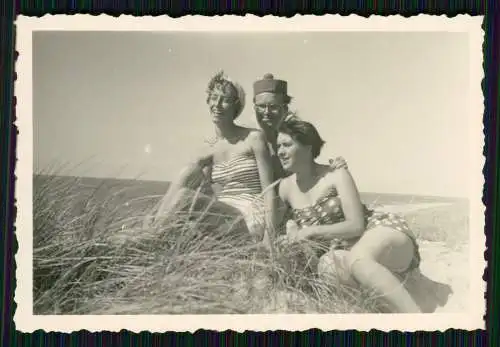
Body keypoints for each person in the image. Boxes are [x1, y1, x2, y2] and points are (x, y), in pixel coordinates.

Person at [275, 116, 422, 313]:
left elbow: (356, 226)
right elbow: (279, 229)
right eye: (278, 146)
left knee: (359, 260)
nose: (280, 152)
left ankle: (419, 320)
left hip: (377, 231)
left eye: (287, 145)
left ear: (308, 146)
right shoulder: (285, 188)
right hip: (347, 251)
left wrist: (311, 231)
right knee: (327, 267)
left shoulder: (336, 174)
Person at [147, 71, 279, 246]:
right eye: (214, 98)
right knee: (190, 170)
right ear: (208, 101)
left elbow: (269, 191)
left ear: (236, 106)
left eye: (225, 100)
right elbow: (196, 184)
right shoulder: (208, 150)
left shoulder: (253, 138)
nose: (217, 104)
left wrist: (268, 240)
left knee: (184, 198)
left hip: (248, 220)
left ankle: (148, 237)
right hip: (221, 217)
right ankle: (151, 229)